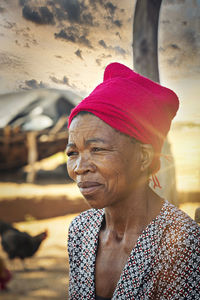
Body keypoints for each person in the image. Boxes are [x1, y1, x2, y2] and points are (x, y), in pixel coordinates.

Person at [66, 62, 200, 299]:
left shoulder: (183, 244)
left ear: (143, 157)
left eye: (97, 149)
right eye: (72, 153)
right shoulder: (81, 231)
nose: (79, 168)